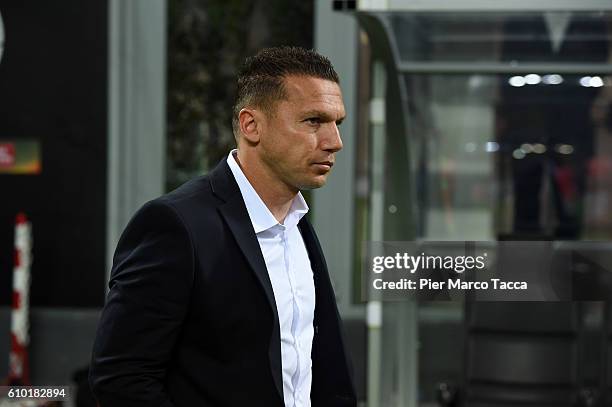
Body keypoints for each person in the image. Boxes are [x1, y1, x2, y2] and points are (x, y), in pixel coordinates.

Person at [89, 46, 357, 407]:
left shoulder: (298, 227)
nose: (334, 142)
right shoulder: (175, 225)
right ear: (251, 125)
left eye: (336, 123)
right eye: (313, 121)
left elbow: (317, 371)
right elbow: (121, 379)